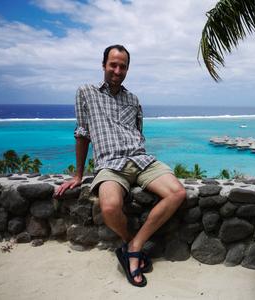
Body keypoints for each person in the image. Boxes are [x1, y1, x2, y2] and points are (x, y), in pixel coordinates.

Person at [55, 44, 186, 287]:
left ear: (127, 69)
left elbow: (138, 132)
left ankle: (134, 246)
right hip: (110, 164)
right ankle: (129, 241)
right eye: (113, 65)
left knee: (177, 192)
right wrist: (78, 175)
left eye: (122, 66)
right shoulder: (86, 92)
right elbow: (82, 133)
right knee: (110, 206)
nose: (117, 70)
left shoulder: (133, 99)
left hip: (141, 159)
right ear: (103, 65)